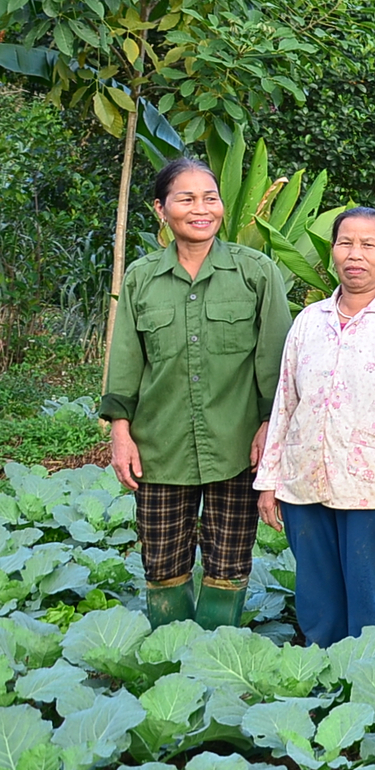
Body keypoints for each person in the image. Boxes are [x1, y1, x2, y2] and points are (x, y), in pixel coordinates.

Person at [104, 156, 292, 630]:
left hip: (237, 446)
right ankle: (172, 656)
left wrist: (271, 426)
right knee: (162, 563)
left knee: (229, 563)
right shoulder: (141, 279)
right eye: (185, 198)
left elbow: (278, 361)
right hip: (159, 446)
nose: (200, 208)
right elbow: (126, 362)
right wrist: (121, 435)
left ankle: (215, 654)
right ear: (161, 209)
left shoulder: (257, 273)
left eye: (210, 197)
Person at [255, 208, 375, 647]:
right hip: (305, 482)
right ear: (333, 251)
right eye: (345, 243)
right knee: (317, 600)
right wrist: (269, 480)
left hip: (373, 489)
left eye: (368, 245)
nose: (355, 255)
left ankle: (372, 691)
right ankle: (323, 684)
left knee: (370, 603)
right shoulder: (308, 322)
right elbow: (285, 403)